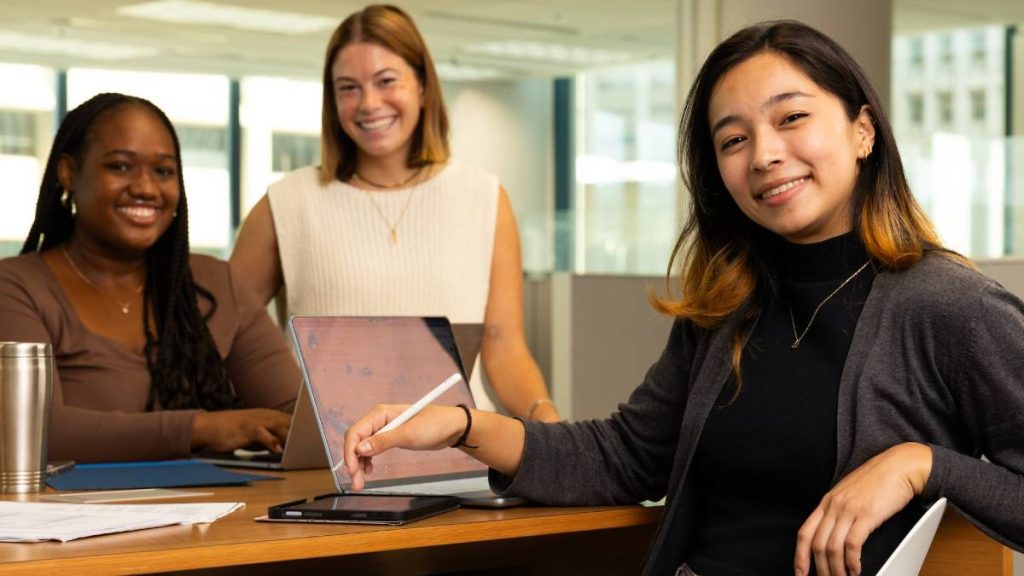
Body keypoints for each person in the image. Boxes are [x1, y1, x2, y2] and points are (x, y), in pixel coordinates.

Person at [341, 20, 1024, 576]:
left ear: (863, 131)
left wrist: (922, 465)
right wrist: (463, 427)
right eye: (734, 139)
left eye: (791, 117)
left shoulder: (949, 305)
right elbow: (622, 457)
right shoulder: (730, 307)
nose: (764, 154)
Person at [230, 4, 559, 422]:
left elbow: (505, 349)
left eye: (386, 81)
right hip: (334, 451)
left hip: (460, 448)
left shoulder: (485, 197)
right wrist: (271, 412)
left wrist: (549, 422)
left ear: (422, 86)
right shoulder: (287, 203)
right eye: (348, 88)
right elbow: (223, 338)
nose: (369, 103)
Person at [0, 93, 302, 463]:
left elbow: (297, 417)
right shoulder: (16, 287)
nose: (145, 188)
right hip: (83, 503)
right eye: (120, 167)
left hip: (223, 500)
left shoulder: (214, 283)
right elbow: (33, 430)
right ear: (68, 172)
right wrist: (201, 428)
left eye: (163, 171)